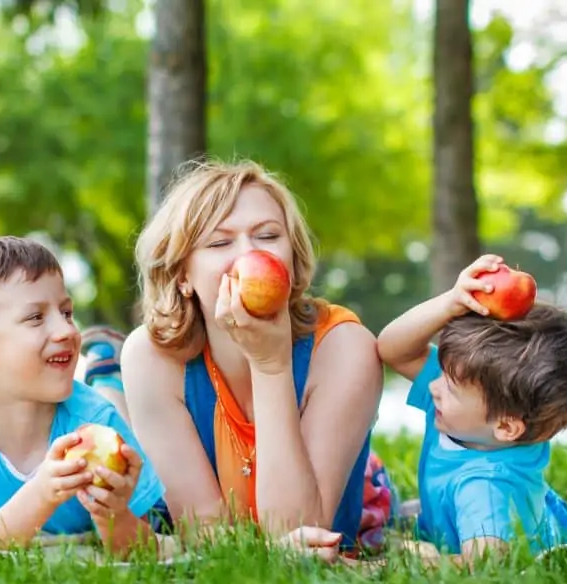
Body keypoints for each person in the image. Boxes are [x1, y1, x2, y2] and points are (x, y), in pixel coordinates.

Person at [107, 159, 397, 557]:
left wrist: (270, 365)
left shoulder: (346, 348)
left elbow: (303, 532)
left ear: (292, 261)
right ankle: (104, 376)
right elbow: (205, 535)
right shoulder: (150, 356)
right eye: (219, 243)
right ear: (182, 275)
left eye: (268, 235)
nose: (248, 254)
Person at [377, 254, 567, 565]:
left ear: (506, 427)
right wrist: (451, 302)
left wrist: (385, 566)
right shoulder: (470, 411)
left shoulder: (484, 487)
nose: (434, 386)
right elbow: (391, 348)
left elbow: (484, 563)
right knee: (560, 520)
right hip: (513, 512)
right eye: (442, 375)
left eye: (449, 386)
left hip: (537, 539)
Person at [0, 236, 167, 556]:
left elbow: (145, 548)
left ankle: (106, 375)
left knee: (115, 409)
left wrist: (112, 513)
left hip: (97, 408)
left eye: (67, 312)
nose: (67, 331)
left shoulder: (98, 421)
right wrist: (43, 493)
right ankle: (103, 372)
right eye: (35, 317)